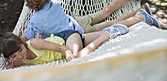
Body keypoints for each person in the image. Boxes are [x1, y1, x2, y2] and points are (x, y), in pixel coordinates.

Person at [0, 24, 129, 69]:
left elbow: (62, 48)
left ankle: (105, 36)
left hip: (67, 39)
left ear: (23, 44)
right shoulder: (20, 60)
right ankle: (140, 16)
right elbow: (20, 61)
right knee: (122, 26)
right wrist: (14, 65)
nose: (20, 56)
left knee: (78, 56)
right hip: (75, 43)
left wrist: (68, 54)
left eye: (20, 50)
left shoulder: (34, 43)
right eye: (14, 56)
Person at [21, 0, 153, 42]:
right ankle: (140, 8)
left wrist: (26, 28)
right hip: (79, 21)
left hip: (81, 32)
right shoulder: (54, 3)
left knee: (113, 23)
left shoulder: (34, 22)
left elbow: (23, 39)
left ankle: (139, 14)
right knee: (106, 12)